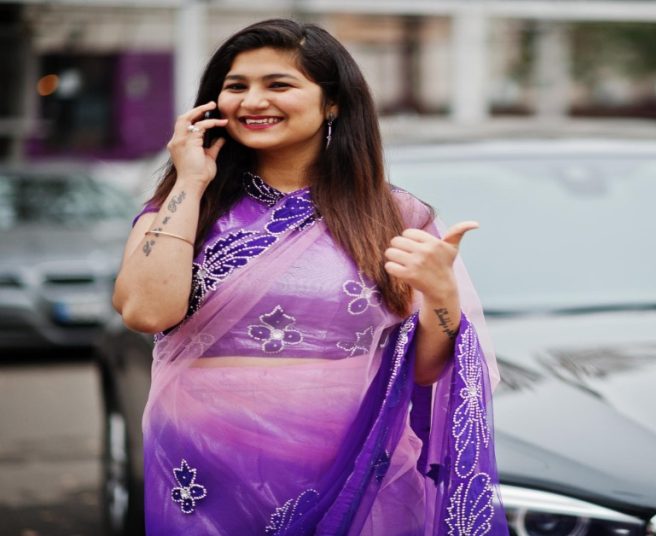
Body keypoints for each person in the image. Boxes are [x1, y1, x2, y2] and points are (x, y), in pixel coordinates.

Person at [112, 19, 506, 535]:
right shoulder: (186, 208)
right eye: (237, 87)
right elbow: (146, 311)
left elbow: (427, 371)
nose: (253, 101)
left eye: (278, 85)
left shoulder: (395, 217)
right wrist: (189, 179)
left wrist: (440, 292)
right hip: (203, 469)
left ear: (333, 102)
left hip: (352, 466)